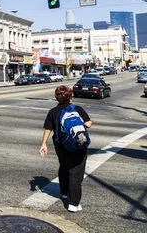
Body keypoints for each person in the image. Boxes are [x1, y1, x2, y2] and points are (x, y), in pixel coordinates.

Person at [40, 85, 93, 213]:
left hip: (61, 144)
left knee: (64, 166)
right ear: (70, 97)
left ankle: (64, 192)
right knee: (76, 172)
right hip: (77, 144)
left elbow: (48, 128)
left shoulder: (53, 112)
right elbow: (88, 124)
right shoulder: (77, 109)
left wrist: (44, 144)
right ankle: (73, 204)